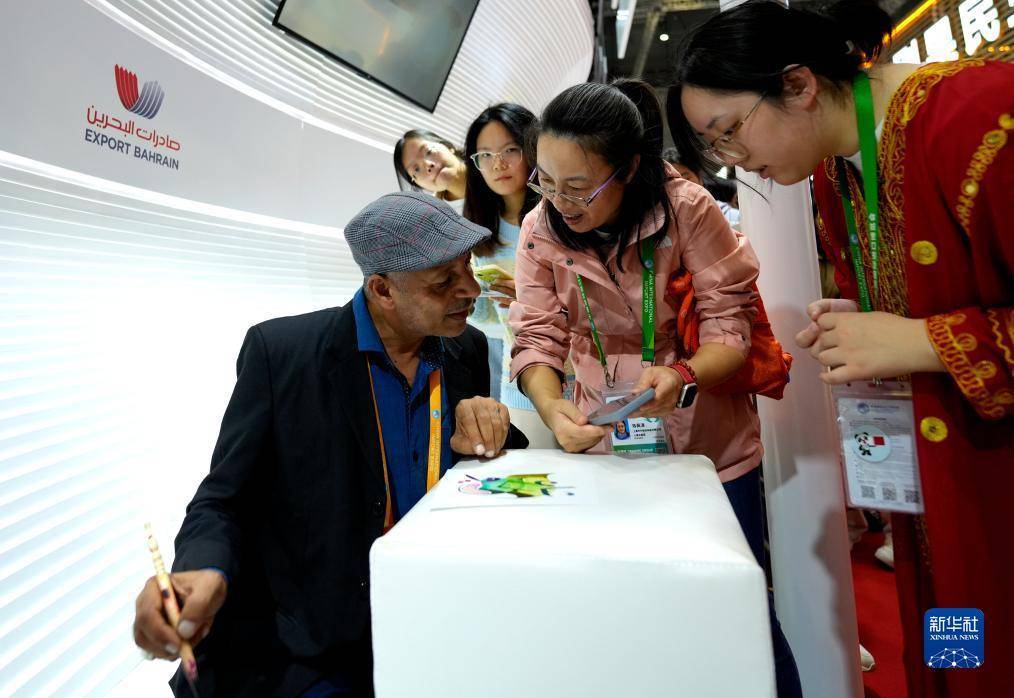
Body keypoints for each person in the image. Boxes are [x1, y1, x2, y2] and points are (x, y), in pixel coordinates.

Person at [667, 1, 1012, 695]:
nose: (735, 161)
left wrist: (921, 339)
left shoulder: (981, 117)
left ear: (798, 84)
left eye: (729, 132)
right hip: (940, 485)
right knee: (955, 643)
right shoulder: (833, 173)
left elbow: (927, 326)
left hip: (991, 478)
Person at [132, 191, 528, 697]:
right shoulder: (282, 354)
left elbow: (482, 464)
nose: (470, 289)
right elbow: (223, 499)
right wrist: (202, 570)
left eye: (467, 268)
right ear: (382, 290)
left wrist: (494, 426)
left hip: (429, 624)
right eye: (443, 281)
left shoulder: (464, 348)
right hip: (310, 651)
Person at [510, 78, 802, 697]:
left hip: (710, 450)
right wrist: (552, 405)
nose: (559, 202)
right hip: (603, 443)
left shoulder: (686, 208)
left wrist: (683, 374)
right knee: (632, 607)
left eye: (577, 187)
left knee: (739, 611)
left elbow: (731, 326)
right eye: (545, 181)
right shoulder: (540, 228)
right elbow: (535, 334)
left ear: (628, 169)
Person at [462, 103, 541, 409]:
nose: (498, 164)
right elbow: (489, 321)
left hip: (578, 372)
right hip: (519, 376)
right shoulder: (479, 232)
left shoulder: (559, 216)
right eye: (485, 155)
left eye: (510, 150)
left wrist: (532, 299)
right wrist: (470, 298)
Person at [393, 129, 468, 203]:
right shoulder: (437, 209)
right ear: (418, 184)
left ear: (447, 146)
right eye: (416, 169)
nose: (428, 164)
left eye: (429, 152)